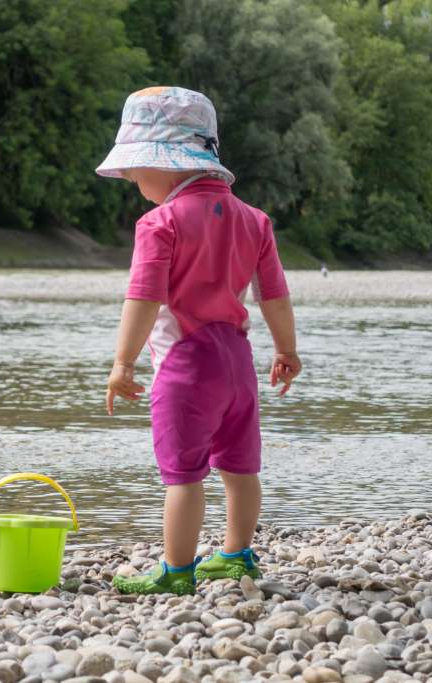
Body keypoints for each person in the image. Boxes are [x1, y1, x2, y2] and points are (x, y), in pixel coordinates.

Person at [97, 86, 301, 594]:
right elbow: (273, 294)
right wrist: (287, 351)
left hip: (185, 368)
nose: (130, 178)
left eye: (136, 168)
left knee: (183, 475)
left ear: (165, 165)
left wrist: (123, 363)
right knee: (239, 465)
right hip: (238, 360)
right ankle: (237, 554)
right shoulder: (254, 219)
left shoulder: (159, 222)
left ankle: (176, 570)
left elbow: (143, 298)